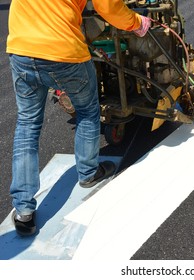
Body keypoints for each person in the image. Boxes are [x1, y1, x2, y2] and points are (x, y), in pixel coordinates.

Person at [7, 0, 151, 236]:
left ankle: (23, 210)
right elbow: (109, 7)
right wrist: (137, 22)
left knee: (28, 124)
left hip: (21, 49)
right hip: (63, 53)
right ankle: (88, 172)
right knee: (87, 110)